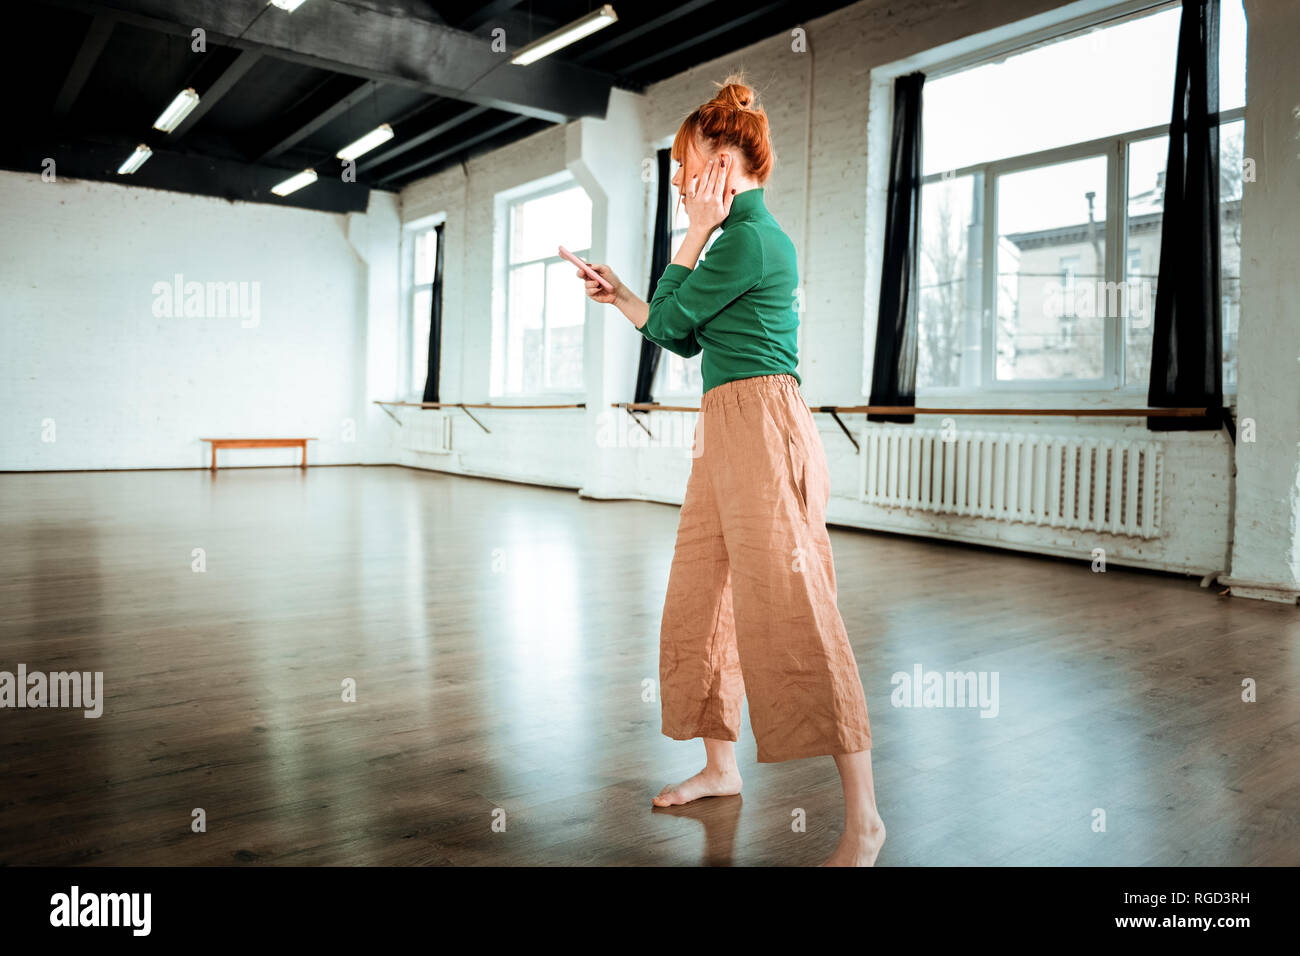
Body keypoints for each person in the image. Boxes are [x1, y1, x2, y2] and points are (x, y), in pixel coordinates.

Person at [577, 74, 885, 867]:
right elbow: (678, 339)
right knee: (700, 596)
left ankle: (866, 822)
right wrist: (621, 296)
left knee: (796, 609)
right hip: (724, 427)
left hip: (764, 427)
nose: (681, 180)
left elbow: (676, 322)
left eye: (686, 163)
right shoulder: (727, 238)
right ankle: (721, 767)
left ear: (724, 157)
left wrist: (688, 237)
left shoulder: (746, 237)